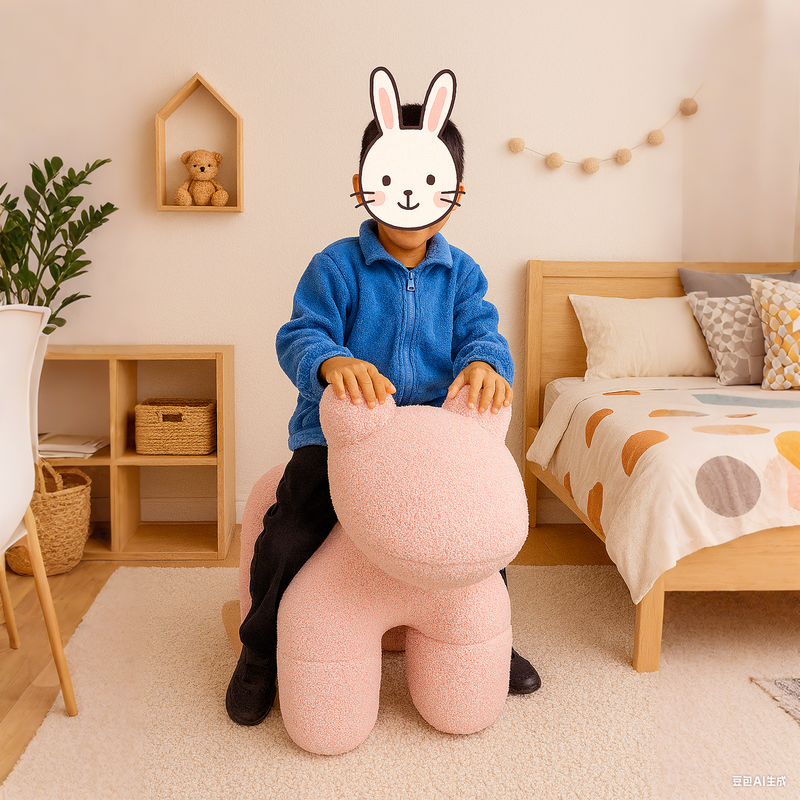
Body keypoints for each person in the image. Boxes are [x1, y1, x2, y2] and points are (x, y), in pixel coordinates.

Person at [227, 103, 541, 727]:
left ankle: (488, 638)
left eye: (430, 183)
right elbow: (300, 333)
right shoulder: (336, 265)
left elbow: (484, 333)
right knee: (292, 530)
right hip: (339, 436)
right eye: (395, 180)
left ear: (454, 193)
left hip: (431, 442)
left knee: (477, 528)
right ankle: (260, 647)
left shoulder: (462, 274)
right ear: (363, 184)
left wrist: (485, 362)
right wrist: (331, 361)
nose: (411, 198)